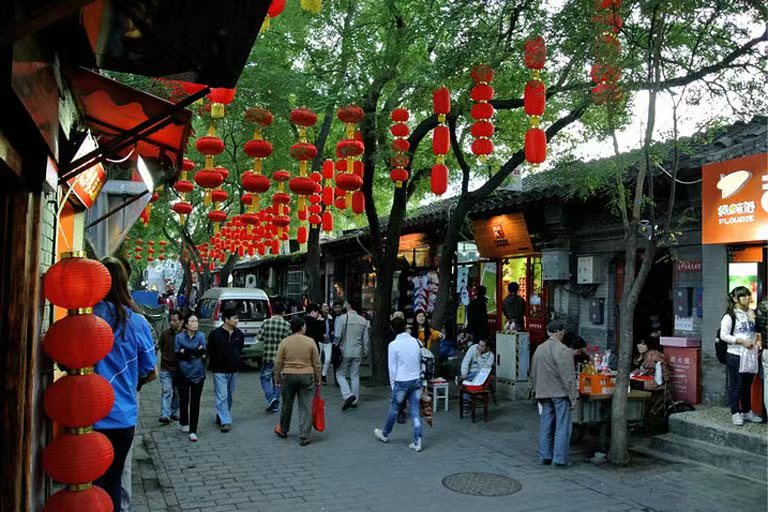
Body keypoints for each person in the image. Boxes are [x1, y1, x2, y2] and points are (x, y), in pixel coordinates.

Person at [93, 257, 157, 511]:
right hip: (122, 417)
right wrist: (131, 385)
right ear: (124, 283)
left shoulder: (84, 318)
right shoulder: (138, 322)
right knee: (114, 481)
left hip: (87, 417)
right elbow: (150, 371)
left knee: (90, 482)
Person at [530, 321, 578, 468]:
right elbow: (568, 376)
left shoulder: (539, 349)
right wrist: (573, 395)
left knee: (546, 424)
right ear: (560, 332)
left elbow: (533, 371)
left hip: (543, 392)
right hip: (559, 393)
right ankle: (560, 459)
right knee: (562, 426)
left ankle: (545, 455)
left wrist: (535, 390)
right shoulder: (563, 350)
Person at [374, 316, 424, 452]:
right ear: (405, 327)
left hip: (401, 380)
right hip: (416, 379)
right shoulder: (415, 341)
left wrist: (392, 385)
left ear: (392, 328)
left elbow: (392, 368)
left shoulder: (393, 345)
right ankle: (418, 440)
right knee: (415, 411)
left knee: (394, 408)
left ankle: (385, 433)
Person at [273, 317, 322, 445]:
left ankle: (283, 429)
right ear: (302, 327)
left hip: (288, 375)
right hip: (307, 375)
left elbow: (278, 362)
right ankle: (304, 435)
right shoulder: (310, 342)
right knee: (306, 405)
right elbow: (317, 363)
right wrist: (318, 378)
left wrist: (277, 378)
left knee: (287, 404)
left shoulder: (285, 342)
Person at [720, 286, 763, 425]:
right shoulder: (730, 316)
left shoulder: (751, 313)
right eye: (743, 296)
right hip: (735, 354)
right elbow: (723, 335)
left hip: (750, 354)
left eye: (748, 295)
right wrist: (740, 341)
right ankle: (735, 412)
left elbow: (756, 332)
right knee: (736, 385)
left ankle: (746, 411)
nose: (747, 298)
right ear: (735, 299)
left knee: (747, 385)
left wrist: (757, 340)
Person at [207, 308, 244, 432]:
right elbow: (210, 351)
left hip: (233, 370)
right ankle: (226, 421)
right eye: (234, 318)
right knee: (222, 395)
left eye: (237, 318)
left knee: (229, 396)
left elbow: (240, 350)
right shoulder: (215, 334)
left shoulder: (239, 334)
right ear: (226, 319)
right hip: (219, 370)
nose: (237, 320)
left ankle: (222, 415)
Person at [175, 313, 207, 441]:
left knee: (195, 402)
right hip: (183, 373)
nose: (195, 324)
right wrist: (193, 352)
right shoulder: (179, 337)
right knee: (183, 399)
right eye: (192, 321)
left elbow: (202, 352)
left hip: (198, 374)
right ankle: (184, 421)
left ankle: (193, 430)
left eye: (196, 321)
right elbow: (178, 354)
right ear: (186, 324)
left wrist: (187, 351)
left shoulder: (201, 336)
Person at [334, 297, 370, 410]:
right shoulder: (363, 320)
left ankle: (347, 394)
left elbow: (338, 335)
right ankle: (355, 400)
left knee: (340, 374)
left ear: (349, 305)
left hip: (344, 350)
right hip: (358, 350)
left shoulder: (343, 318)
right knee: (355, 375)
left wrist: (335, 345)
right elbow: (366, 339)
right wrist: (366, 351)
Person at [256, 301, 292, 412]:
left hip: (268, 356)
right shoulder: (287, 325)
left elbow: (259, 336)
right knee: (278, 381)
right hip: (281, 359)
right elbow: (290, 340)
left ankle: (271, 398)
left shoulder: (266, 322)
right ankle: (275, 402)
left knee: (264, 379)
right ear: (283, 312)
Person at [158, 309, 183, 425]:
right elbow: (160, 347)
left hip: (179, 369)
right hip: (166, 368)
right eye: (171, 320)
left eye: (174, 320)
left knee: (177, 391)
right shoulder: (165, 334)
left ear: (181, 321)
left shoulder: (184, 335)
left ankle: (175, 412)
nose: (172, 323)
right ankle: (165, 414)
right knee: (167, 390)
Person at [319, 303, 334, 384]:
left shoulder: (331, 318)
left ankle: (323, 375)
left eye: (327, 306)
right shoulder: (319, 318)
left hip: (328, 342)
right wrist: (322, 334)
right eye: (324, 306)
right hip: (320, 341)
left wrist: (332, 333)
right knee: (318, 359)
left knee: (328, 359)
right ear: (321, 309)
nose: (326, 308)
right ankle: (318, 376)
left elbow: (332, 328)